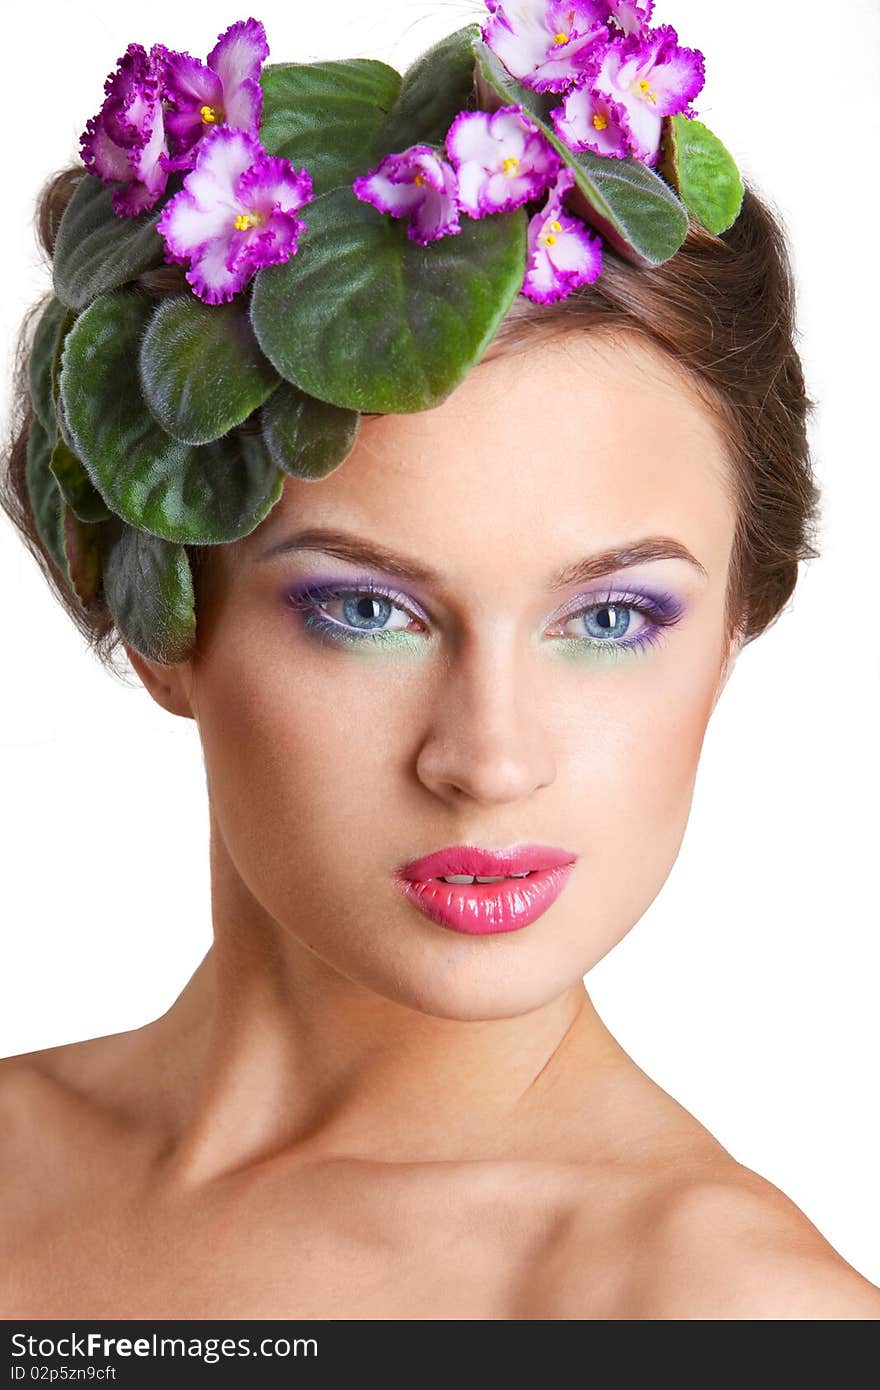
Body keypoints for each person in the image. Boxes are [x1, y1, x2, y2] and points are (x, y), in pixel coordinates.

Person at [2, 6, 879, 1320]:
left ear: (737, 619)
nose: (489, 758)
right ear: (159, 605)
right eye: (369, 610)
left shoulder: (712, 1306)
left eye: (613, 618)